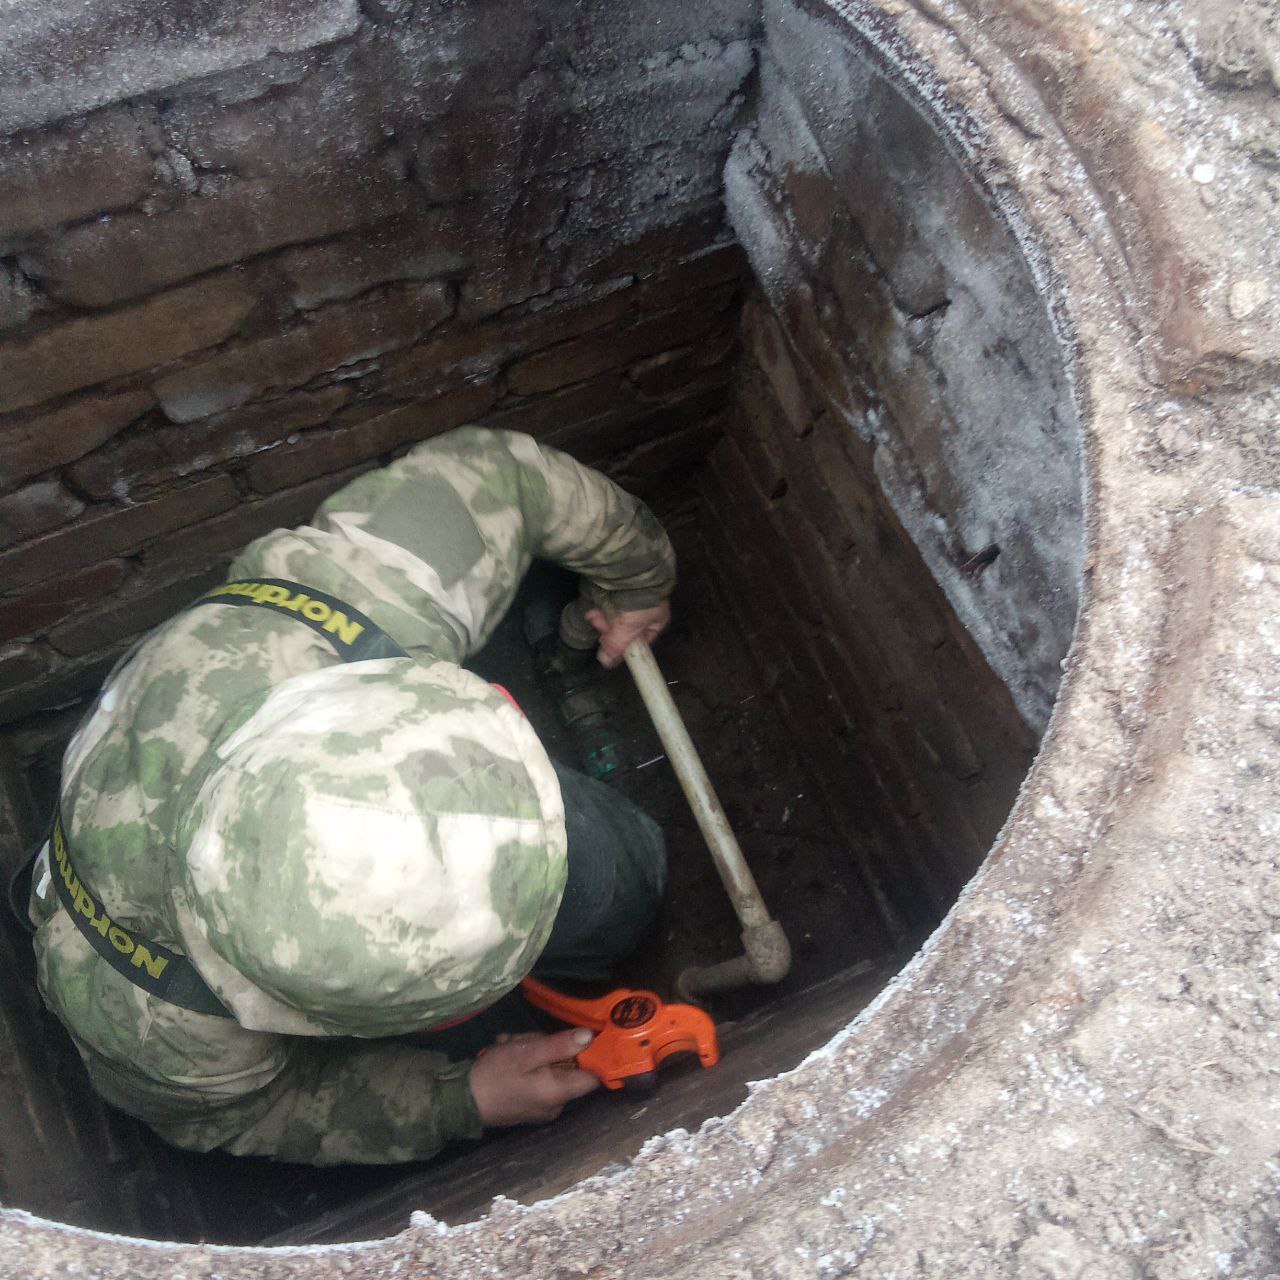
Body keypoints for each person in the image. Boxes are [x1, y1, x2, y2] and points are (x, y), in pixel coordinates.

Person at [27, 425, 676, 1165]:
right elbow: (248, 1114)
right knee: (612, 886)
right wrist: (456, 1100)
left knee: (609, 876)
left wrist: (636, 584)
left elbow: (507, 479)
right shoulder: (153, 1020)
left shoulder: (345, 603)